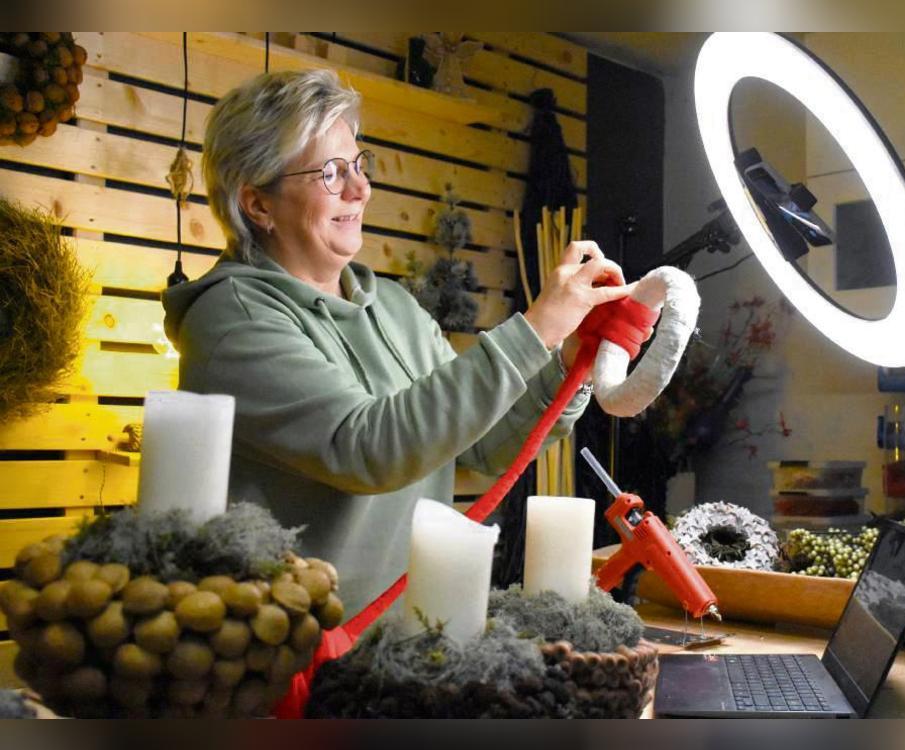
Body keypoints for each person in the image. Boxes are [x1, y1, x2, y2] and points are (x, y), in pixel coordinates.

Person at [162, 69, 636, 624]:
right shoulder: (231, 318)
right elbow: (367, 449)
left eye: (358, 165)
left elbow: (477, 451)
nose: (360, 190)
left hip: (408, 640)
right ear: (258, 205)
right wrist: (537, 328)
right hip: (299, 655)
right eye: (330, 173)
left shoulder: (391, 305)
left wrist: (567, 358)